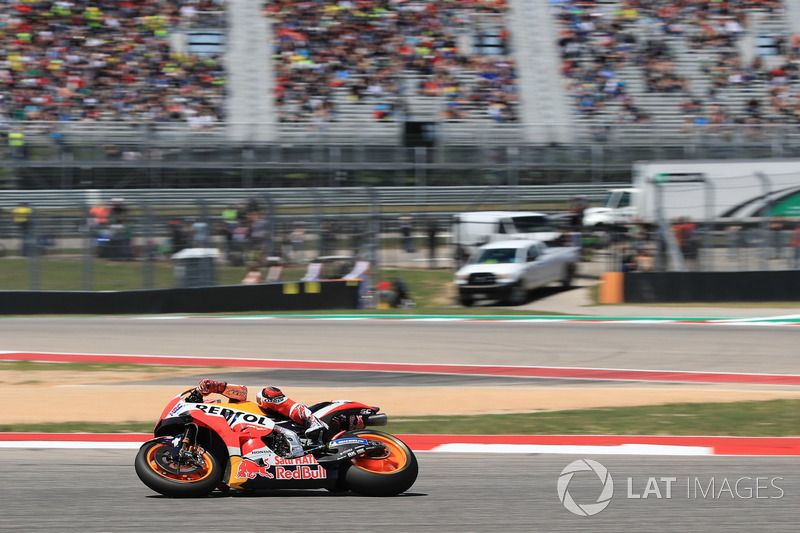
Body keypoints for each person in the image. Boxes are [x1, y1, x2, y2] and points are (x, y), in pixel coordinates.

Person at [196, 379, 327, 458]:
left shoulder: (226, 407)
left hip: (278, 420)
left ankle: (312, 422)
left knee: (266, 393)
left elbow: (242, 391)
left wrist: (216, 386)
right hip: (264, 441)